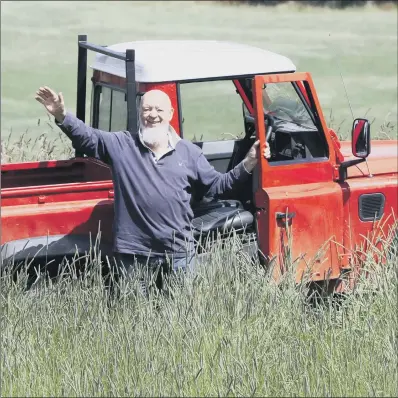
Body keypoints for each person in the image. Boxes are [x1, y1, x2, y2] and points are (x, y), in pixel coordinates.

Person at [35, 86, 270, 287]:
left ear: (170, 113)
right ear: (140, 112)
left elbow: (219, 187)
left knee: (181, 317)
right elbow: (88, 137)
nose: (152, 115)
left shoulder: (189, 153)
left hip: (178, 254)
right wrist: (62, 115)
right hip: (134, 255)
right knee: (136, 317)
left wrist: (249, 161)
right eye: (147, 109)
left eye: (158, 109)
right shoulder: (122, 145)